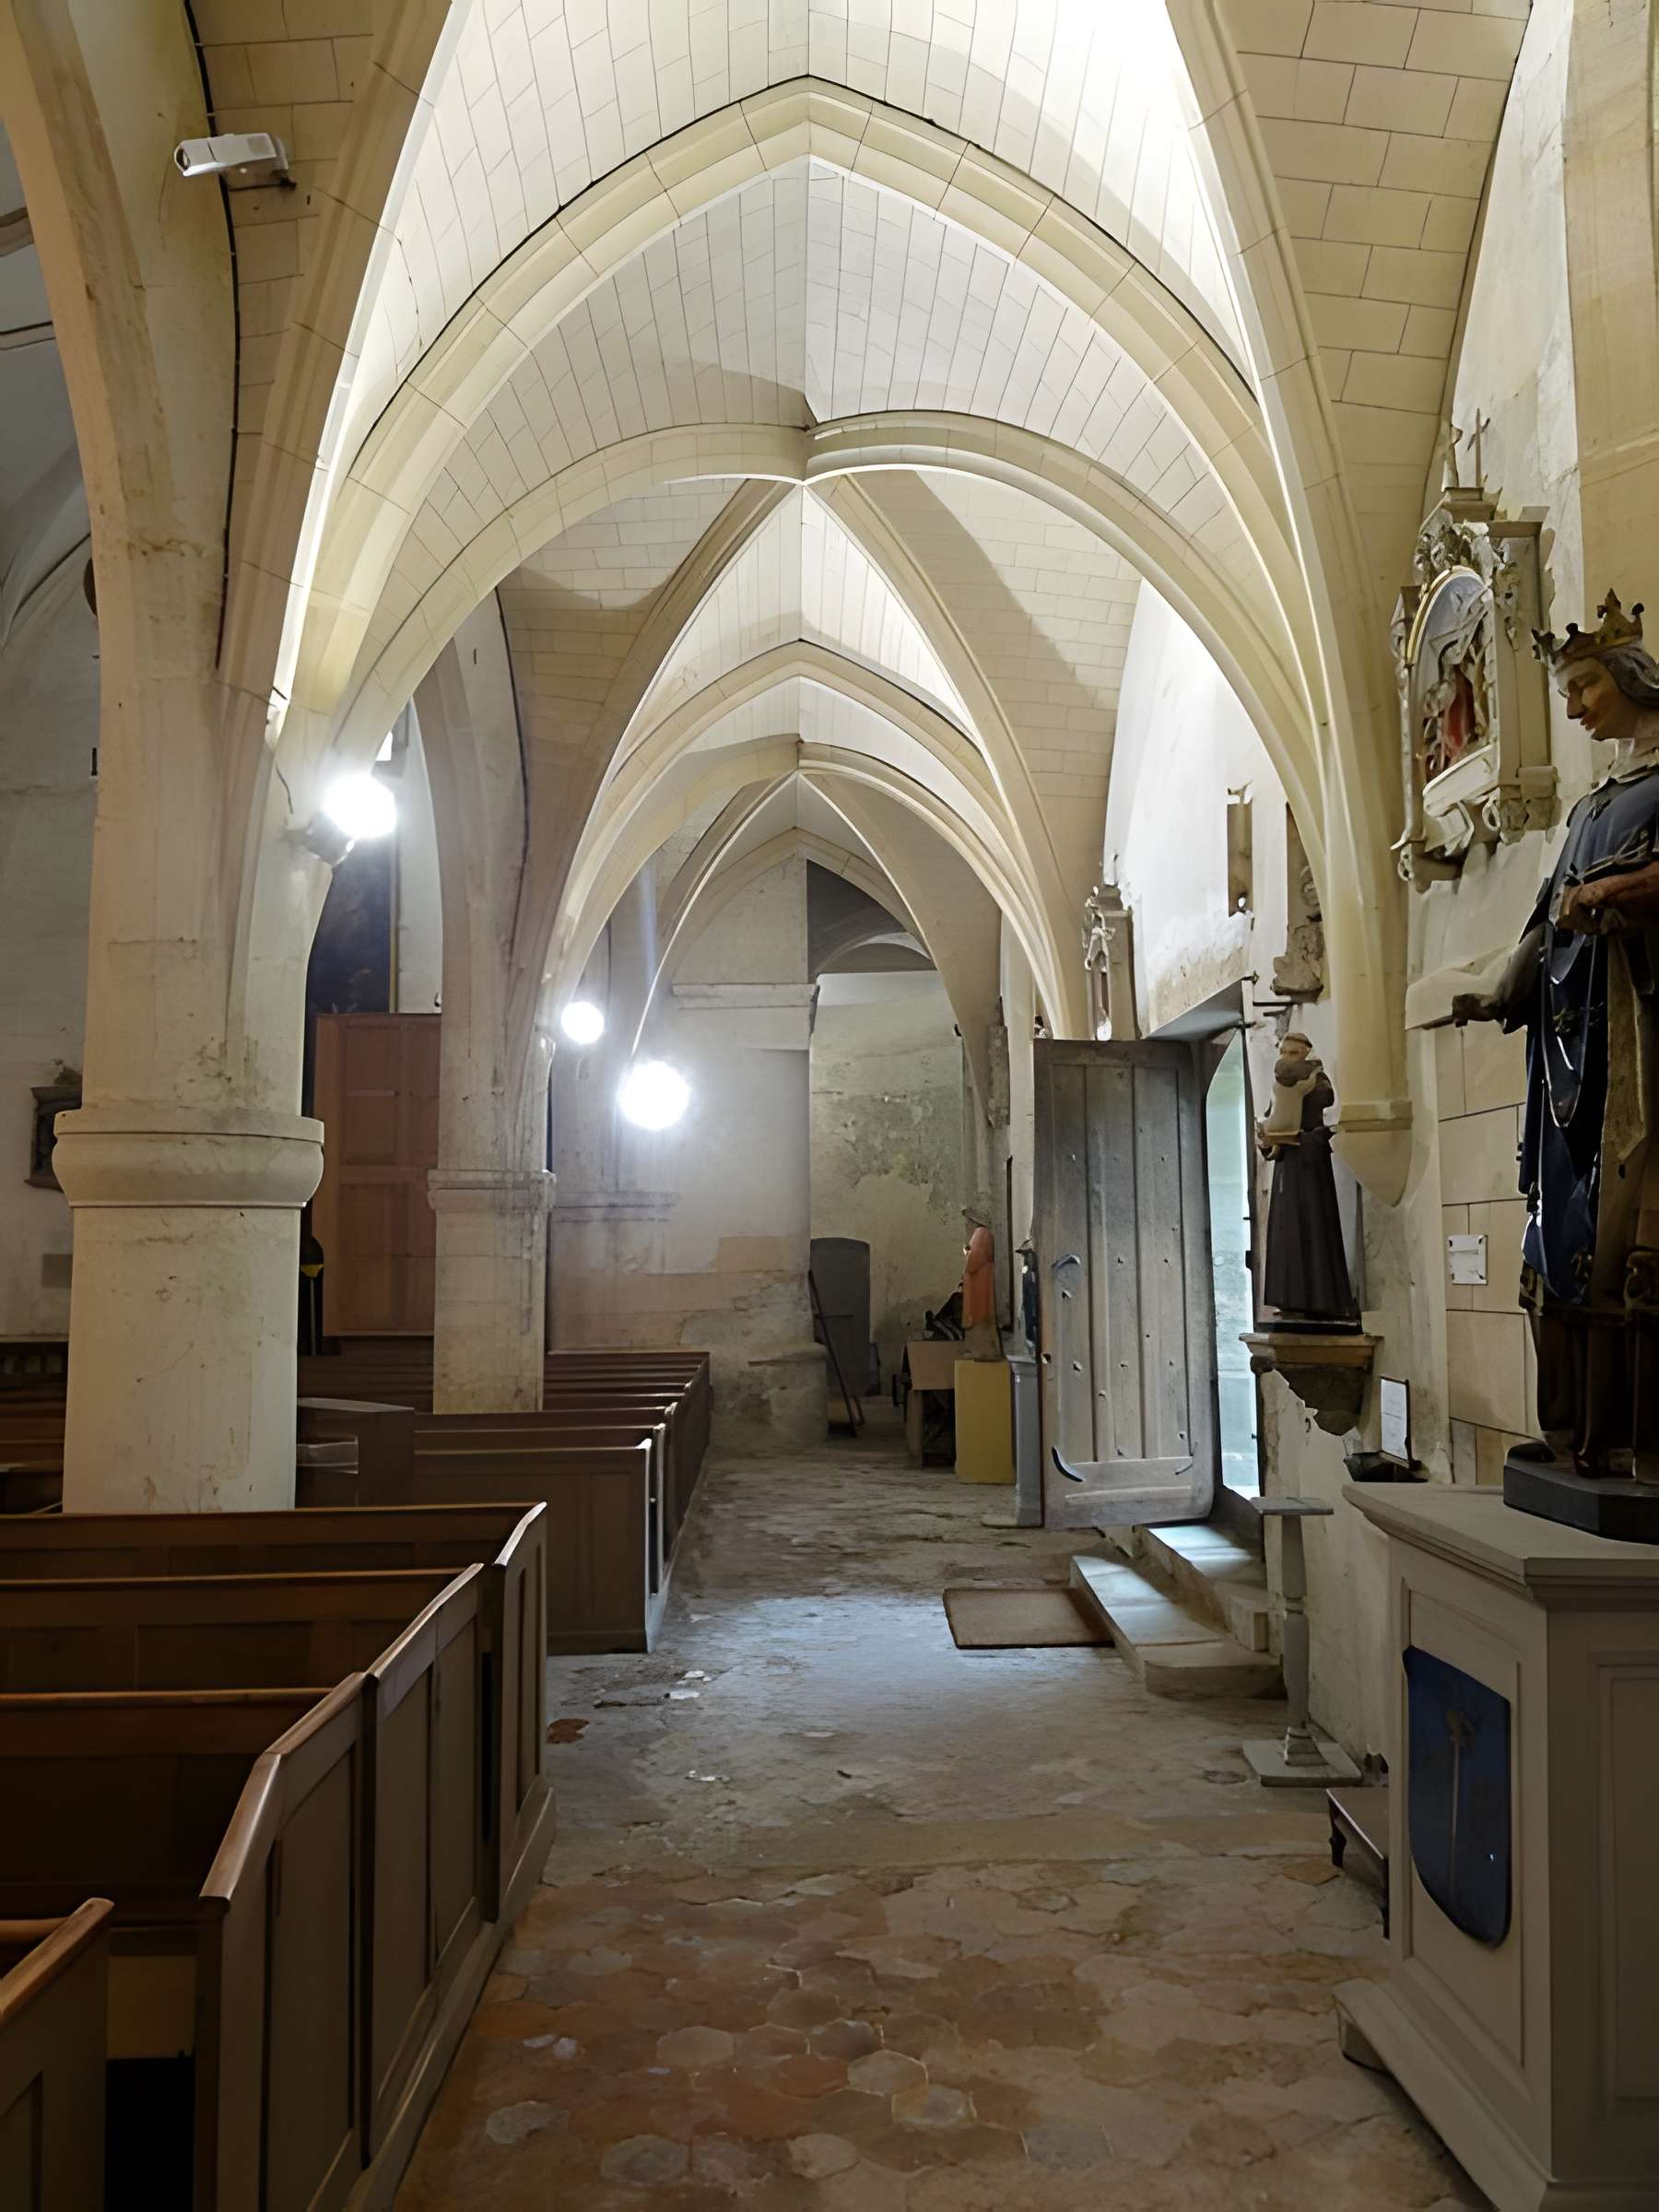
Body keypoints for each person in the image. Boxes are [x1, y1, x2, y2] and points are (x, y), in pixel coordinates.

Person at [1453, 591, 1659, 1477]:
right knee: (1557, 1223)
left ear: (1627, 679)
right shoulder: (1589, 805)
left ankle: (1633, 1437)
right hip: (1567, 1047)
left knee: (1627, 1222)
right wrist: (1500, 984)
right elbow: (1545, 917)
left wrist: (1609, 897)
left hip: (1635, 1031)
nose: (1573, 708)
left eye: (1582, 688)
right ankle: (1575, 1425)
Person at [1255, 1032, 1356, 1324]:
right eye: (1284, 1053)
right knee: (1285, 1230)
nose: (1287, 1059)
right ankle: (1290, 1297)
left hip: (1311, 1171)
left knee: (1313, 1227)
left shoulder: (1321, 1085)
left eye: (1294, 1053)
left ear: (1307, 1054)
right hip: (1288, 1166)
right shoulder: (1284, 1085)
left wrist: (1303, 1138)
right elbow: (1271, 1118)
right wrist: (1267, 1141)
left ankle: (1319, 1298)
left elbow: (1331, 1126)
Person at [959, 1206, 1000, 1361]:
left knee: (978, 1314)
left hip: (979, 1282)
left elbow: (973, 1261)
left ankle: (983, 1350)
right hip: (978, 1280)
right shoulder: (981, 1234)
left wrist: (965, 1253)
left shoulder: (980, 1234)